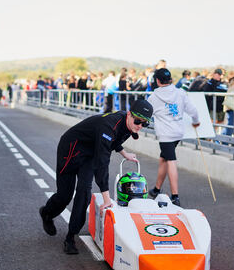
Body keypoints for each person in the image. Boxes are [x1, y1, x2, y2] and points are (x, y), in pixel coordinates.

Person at [39, 99, 153, 254]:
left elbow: (114, 139)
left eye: (144, 124)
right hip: (71, 149)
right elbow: (102, 164)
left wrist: (124, 153)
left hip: (91, 152)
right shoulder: (109, 124)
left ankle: (71, 236)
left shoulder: (129, 124)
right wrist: (107, 198)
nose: (139, 126)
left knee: (84, 191)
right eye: (138, 121)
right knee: (65, 195)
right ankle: (47, 213)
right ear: (129, 114)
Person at [147, 68, 200, 207]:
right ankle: (156, 189)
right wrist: (196, 121)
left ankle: (175, 196)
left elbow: (146, 114)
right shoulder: (180, 92)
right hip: (178, 132)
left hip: (165, 135)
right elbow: (193, 111)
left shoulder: (153, 97)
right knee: (163, 159)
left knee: (170, 160)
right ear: (170, 79)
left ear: (157, 81)